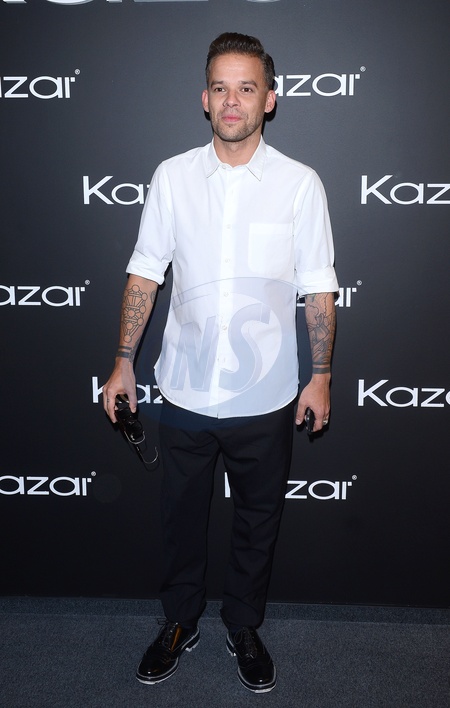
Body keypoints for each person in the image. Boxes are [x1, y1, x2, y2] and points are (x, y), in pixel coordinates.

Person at [103, 32, 338, 693]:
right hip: (182, 390)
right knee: (180, 521)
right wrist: (122, 362)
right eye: (220, 87)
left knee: (258, 524)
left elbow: (318, 287)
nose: (232, 100)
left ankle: (243, 625)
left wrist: (320, 376)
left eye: (247, 88)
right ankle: (180, 621)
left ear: (270, 99)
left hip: (266, 397)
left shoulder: (300, 184)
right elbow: (145, 272)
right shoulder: (173, 177)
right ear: (204, 99)